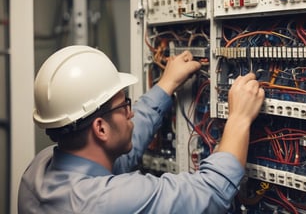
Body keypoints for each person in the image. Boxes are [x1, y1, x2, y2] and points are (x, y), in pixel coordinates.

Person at [18, 45, 264, 214]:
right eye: (124, 105)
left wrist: (167, 85)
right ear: (100, 128)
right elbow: (213, 191)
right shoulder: (104, 202)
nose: (131, 112)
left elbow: (121, 150)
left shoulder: (39, 168)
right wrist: (239, 118)